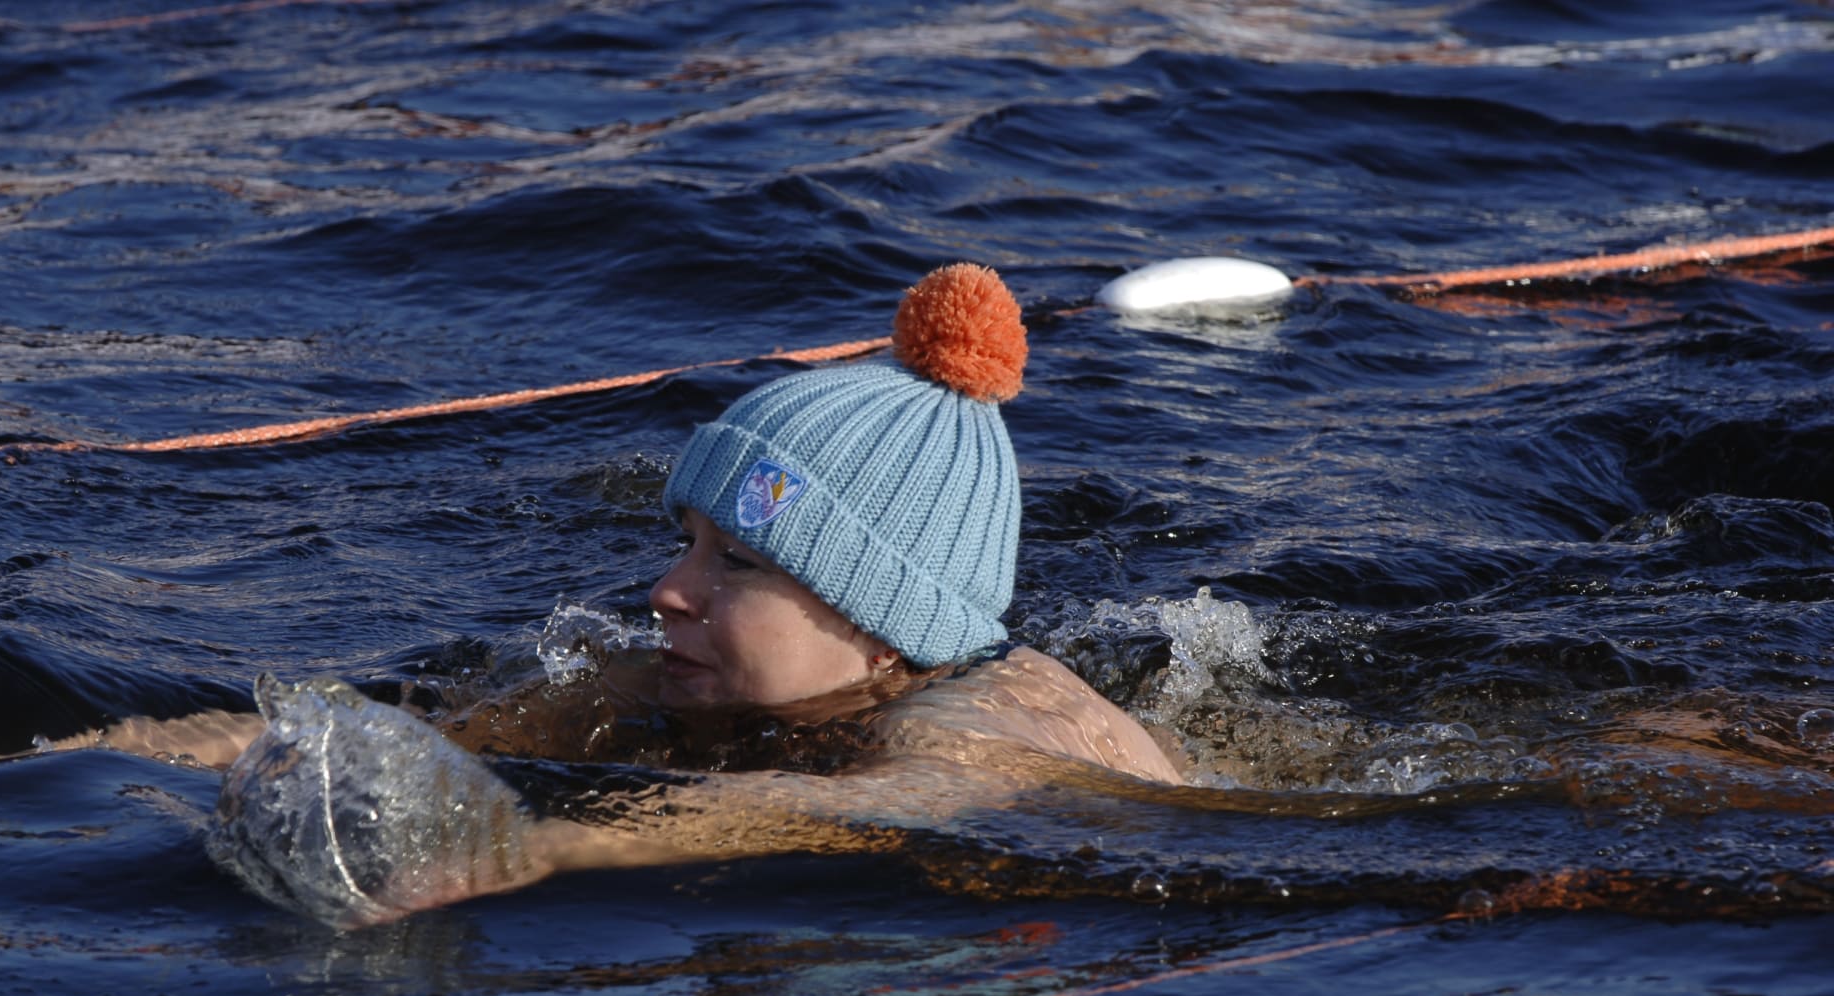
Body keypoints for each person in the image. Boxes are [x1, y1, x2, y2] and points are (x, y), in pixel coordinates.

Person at [197, 264, 1189, 926]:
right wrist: (142, 750)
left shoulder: (970, 724)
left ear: (888, 630)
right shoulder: (665, 678)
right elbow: (421, 726)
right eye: (688, 545)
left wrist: (537, 852)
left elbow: (881, 809)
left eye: (740, 564)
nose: (670, 592)